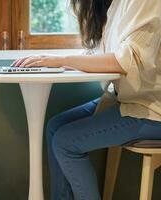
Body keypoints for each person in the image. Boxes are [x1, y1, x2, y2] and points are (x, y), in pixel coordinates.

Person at [11, 0, 161, 199]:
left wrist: (62, 61)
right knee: (55, 127)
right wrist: (49, 61)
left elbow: (126, 61)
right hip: (126, 101)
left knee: (65, 142)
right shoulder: (115, 6)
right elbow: (99, 54)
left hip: (151, 110)